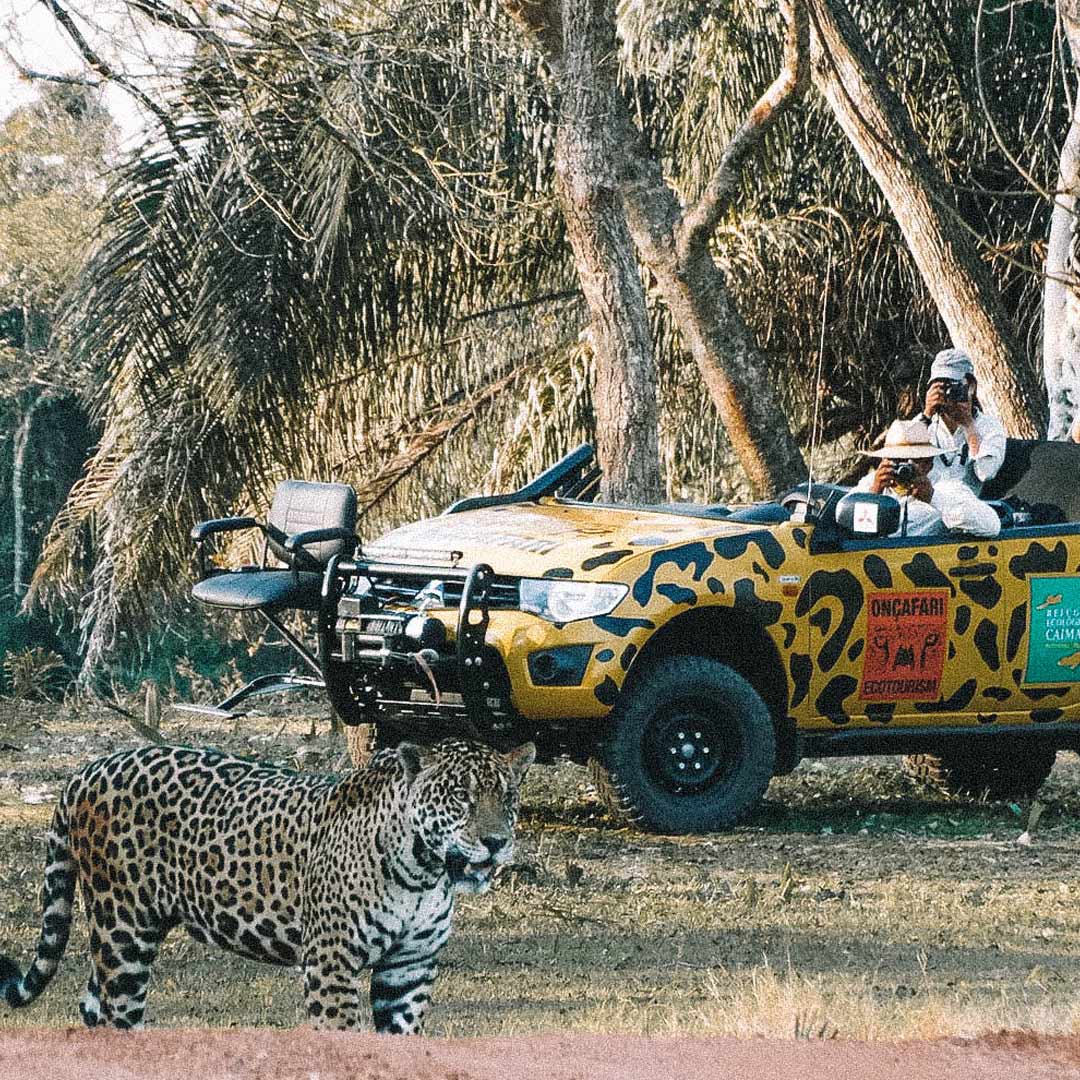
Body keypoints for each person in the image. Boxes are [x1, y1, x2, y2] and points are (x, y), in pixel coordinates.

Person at [859, 419, 1001, 538]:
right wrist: (873, 495)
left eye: (912, 460)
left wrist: (933, 497)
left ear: (929, 462)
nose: (903, 467)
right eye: (896, 459)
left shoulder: (947, 488)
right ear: (884, 459)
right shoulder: (870, 484)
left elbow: (992, 526)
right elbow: (846, 527)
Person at [915, 348, 1006, 494]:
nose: (946, 393)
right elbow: (904, 461)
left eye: (953, 385)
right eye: (940, 386)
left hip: (964, 507)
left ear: (971, 387)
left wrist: (968, 425)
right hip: (926, 503)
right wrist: (926, 415)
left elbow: (985, 472)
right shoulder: (921, 425)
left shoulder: (989, 427)